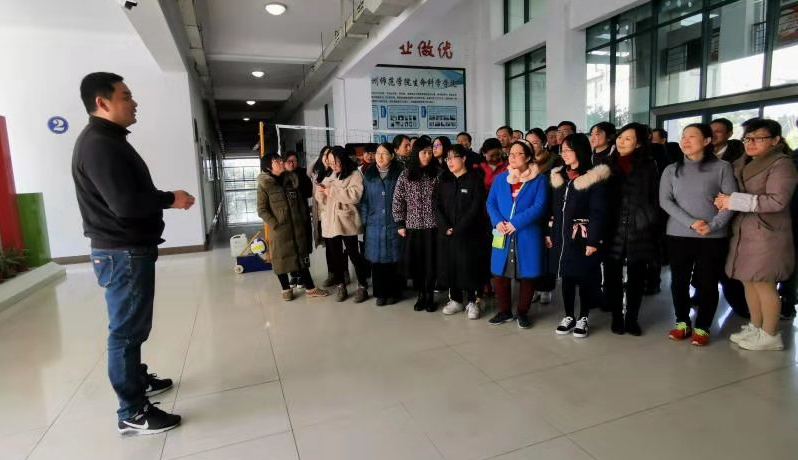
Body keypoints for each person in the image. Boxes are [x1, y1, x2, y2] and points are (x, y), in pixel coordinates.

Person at [73, 72, 194, 434]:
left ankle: (137, 381)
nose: (134, 102)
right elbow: (125, 204)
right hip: (122, 252)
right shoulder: (99, 144)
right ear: (102, 102)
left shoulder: (107, 140)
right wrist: (170, 199)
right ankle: (132, 411)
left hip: (125, 250)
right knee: (126, 332)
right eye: (126, 96)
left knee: (133, 327)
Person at [715, 119, 798, 351]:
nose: (751, 143)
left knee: (764, 284)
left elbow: (777, 201)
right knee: (748, 281)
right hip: (744, 232)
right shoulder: (742, 162)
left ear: (775, 140)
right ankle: (756, 325)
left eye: (758, 138)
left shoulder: (781, 164)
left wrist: (734, 201)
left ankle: (770, 334)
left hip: (767, 234)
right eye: (747, 138)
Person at [660, 124, 737, 346]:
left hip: (712, 237)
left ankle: (703, 326)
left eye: (692, 136)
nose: (685, 140)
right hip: (678, 234)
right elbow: (665, 201)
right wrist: (691, 223)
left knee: (708, 282)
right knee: (679, 281)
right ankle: (682, 322)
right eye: (683, 136)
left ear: (706, 141)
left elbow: (731, 201)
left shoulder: (722, 167)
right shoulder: (671, 170)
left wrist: (713, 225)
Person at [548, 133, 610, 338]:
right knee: (566, 277)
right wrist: (550, 233)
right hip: (561, 236)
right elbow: (553, 209)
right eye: (562, 150)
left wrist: (593, 240)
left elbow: (598, 212)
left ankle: (583, 317)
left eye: (569, 150)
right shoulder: (559, 176)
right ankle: (569, 315)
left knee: (584, 277)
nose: (564, 154)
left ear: (580, 151)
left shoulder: (592, 178)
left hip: (581, 236)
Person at [486, 140, 549, 328]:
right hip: (502, 232)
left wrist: (516, 223)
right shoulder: (501, 179)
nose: (513, 157)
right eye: (511, 154)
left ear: (528, 157)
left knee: (527, 274)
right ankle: (504, 311)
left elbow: (539, 206)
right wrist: (498, 221)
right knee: (500, 274)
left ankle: (522, 312)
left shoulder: (539, 179)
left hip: (527, 233)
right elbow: (491, 203)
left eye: (518, 153)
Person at [604, 122, 660, 336]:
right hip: (613, 227)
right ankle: (617, 317)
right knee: (612, 276)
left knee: (637, 276)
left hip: (640, 227)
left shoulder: (649, 165)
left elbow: (654, 197)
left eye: (628, 138)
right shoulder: (607, 164)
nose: (621, 141)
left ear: (638, 144)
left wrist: (649, 220)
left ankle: (632, 319)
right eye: (620, 137)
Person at [258, 153, 328, 301]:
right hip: (279, 230)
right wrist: (275, 224)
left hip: (297, 226)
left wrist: (302, 219)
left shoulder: (290, 179)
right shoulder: (265, 185)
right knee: (280, 259)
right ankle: (286, 289)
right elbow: (262, 210)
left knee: (301, 257)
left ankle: (310, 288)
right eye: (276, 160)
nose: (280, 162)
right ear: (268, 167)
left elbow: (300, 202)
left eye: (280, 159)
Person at [437, 144, 490, 319]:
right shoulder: (444, 180)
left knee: (470, 266)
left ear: (464, 158)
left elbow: (476, 208)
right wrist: (444, 226)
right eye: (447, 158)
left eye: (453, 157)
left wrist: (458, 228)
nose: (450, 161)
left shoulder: (475, 180)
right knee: (451, 266)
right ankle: (456, 300)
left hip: (470, 233)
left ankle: (473, 301)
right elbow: (436, 206)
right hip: (448, 233)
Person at [315, 146, 370, 302]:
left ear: (343, 159)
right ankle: (341, 286)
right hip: (330, 222)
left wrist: (331, 191)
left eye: (336, 162)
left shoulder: (354, 174)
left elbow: (355, 196)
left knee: (354, 255)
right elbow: (322, 200)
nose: (333, 166)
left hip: (347, 222)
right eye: (331, 163)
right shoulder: (330, 175)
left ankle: (362, 286)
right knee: (336, 257)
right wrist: (320, 192)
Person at [393, 138, 441, 311]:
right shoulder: (405, 175)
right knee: (417, 264)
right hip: (412, 227)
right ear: (416, 154)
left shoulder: (438, 174)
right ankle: (421, 294)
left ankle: (430, 295)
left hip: (433, 227)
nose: (427, 156)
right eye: (424, 152)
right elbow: (398, 200)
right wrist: (400, 223)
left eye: (430, 152)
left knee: (431, 263)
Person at [360, 143, 404, 306]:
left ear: (392, 156)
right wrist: (365, 220)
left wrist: (402, 221)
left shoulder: (400, 173)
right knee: (376, 261)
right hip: (374, 223)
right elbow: (364, 200)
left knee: (393, 260)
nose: (380, 156)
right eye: (378, 153)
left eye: (384, 153)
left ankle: (394, 292)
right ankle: (380, 293)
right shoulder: (369, 174)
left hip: (394, 222)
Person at [527, 129, 558, 304]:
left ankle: (546, 288)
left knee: (547, 250)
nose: (531, 146)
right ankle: (534, 287)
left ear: (544, 142)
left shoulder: (555, 161)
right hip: (530, 211)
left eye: (535, 143)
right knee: (532, 251)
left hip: (549, 209)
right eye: (528, 143)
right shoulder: (526, 161)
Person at [284, 150, 314, 288]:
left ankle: (303, 274)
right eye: (288, 161)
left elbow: (309, 192)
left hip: (302, 215)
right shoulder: (281, 176)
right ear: (284, 163)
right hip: (288, 217)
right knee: (290, 246)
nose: (291, 163)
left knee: (303, 246)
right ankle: (293, 274)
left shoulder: (303, 174)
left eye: (294, 161)